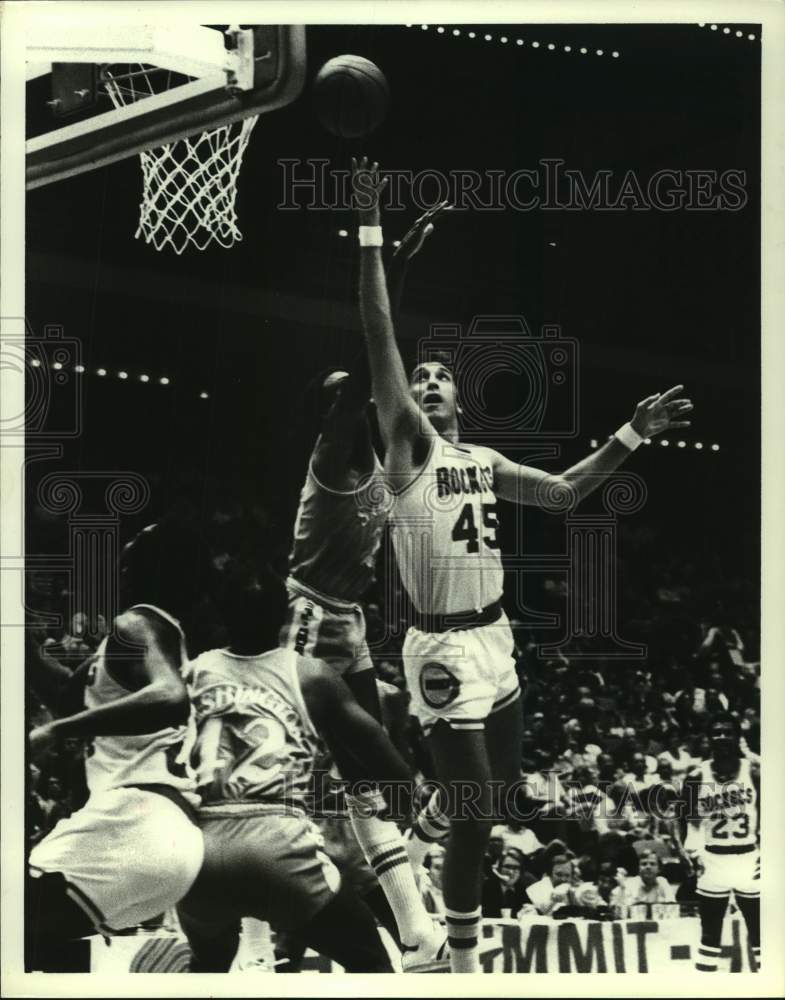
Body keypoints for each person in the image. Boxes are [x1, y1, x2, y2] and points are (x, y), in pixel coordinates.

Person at [351, 154, 693, 972]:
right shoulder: (405, 449)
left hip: (495, 638)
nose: (426, 384)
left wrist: (633, 433)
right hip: (437, 647)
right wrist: (372, 238)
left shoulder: (482, 457)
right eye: (418, 379)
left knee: (496, 798)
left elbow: (565, 493)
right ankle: (456, 962)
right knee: (475, 812)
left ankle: (416, 834)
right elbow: (377, 337)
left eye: (439, 380)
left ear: (459, 402)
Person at [278, 210, 445, 966]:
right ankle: (266, 929)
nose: (364, 397)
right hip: (306, 617)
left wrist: (399, 262)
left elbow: (380, 360)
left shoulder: (380, 465)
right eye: (347, 396)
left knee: (365, 778)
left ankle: (412, 928)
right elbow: (366, 343)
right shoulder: (334, 457)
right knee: (310, 770)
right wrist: (384, 258)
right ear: (330, 414)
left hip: (345, 618)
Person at [178, 556, 444, 973]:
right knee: (371, 964)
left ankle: (248, 957)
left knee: (207, 965)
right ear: (287, 615)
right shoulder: (310, 674)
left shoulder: (191, 673)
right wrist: (400, 803)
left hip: (202, 852)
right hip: (278, 846)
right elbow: (388, 764)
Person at [25, 521, 209, 971]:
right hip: (170, 843)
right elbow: (69, 692)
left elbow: (170, 697)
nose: (117, 563)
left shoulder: (137, 623)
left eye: (127, 554)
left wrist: (57, 730)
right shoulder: (129, 642)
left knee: (19, 912)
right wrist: (26, 651)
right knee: (38, 934)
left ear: (137, 568)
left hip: (135, 820)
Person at [678, 712, 760, 972]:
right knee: (710, 934)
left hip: (750, 857)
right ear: (708, 739)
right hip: (713, 858)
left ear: (737, 737)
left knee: (761, 932)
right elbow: (688, 821)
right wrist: (693, 855)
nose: (722, 737)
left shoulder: (755, 771)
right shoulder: (695, 776)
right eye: (716, 732)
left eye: (728, 732)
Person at [609, 850, 677, 919]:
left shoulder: (663, 882)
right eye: (644, 864)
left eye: (652, 864)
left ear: (659, 869)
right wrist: (622, 889)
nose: (648, 867)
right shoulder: (629, 884)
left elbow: (672, 907)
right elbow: (616, 913)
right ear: (639, 869)